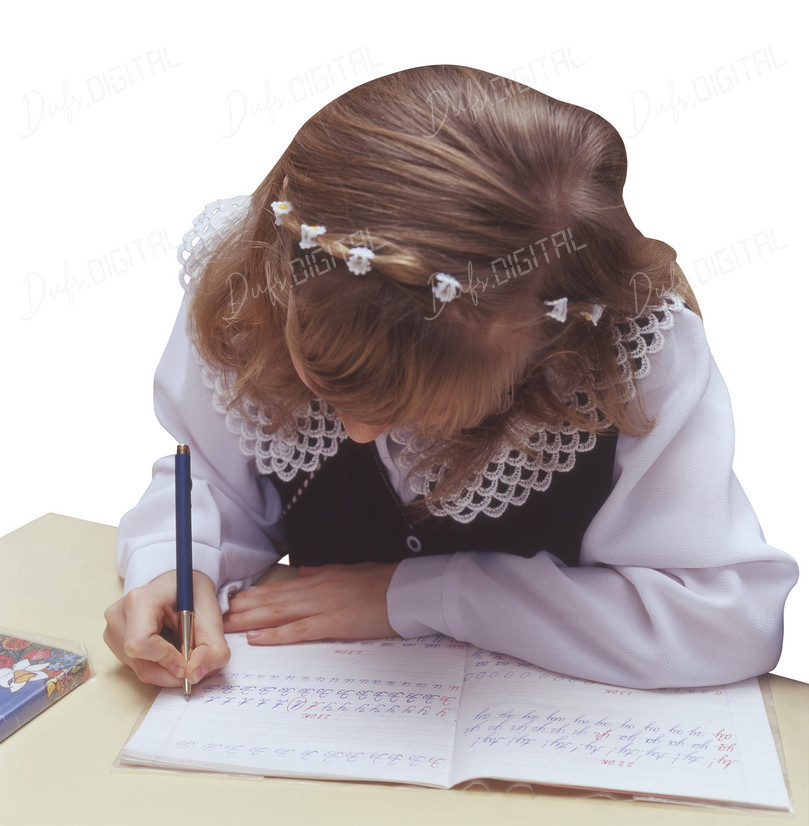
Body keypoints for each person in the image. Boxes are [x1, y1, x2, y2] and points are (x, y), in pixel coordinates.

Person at [103, 65, 798, 691]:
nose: (357, 431)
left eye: (428, 410)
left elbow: (723, 621)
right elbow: (217, 483)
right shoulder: (254, 292)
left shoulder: (630, 359)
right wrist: (175, 564)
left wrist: (428, 594)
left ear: (547, 355)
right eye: (326, 383)